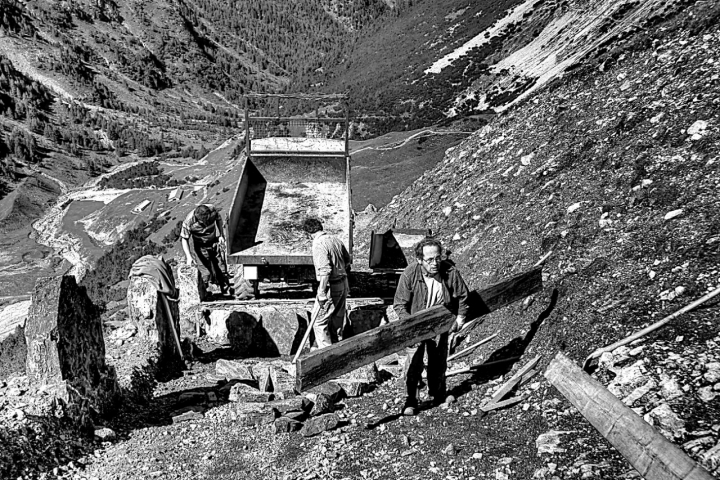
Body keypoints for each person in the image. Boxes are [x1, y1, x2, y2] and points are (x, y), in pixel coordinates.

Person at [393, 237, 470, 416]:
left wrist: (460, 318)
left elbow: (463, 296)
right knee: (413, 364)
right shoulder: (410, 273)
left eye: (437, 258)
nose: (435, 263)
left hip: (440, 323)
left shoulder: (449, 271)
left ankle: (438, 394)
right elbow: (399, 304)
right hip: (416, 325)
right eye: (429, 260)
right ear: (420, 260)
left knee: (438, 361)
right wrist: (410, 324)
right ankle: (411, 400)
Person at [303, 217, 351, 349]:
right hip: (343, 283)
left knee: (318, 320)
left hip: (331, 285)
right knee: (337, 317)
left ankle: (325, 353)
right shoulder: (335, 240)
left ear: (308, 234)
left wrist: (322, 292)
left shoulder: (319, 244)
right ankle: (337, 347)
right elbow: (348, 260)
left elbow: (325, 270)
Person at [180, 204, 230, 294]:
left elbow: (219, 220)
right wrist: (188, 257)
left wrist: (221, 235)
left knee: (221, 268)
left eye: (207, 220)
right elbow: (184, 239)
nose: (205, 223)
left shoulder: (212, 210)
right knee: (205, 273)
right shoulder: (189, 221)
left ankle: (226, 289)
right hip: (200, 246)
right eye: (202, 222)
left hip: (213, 242)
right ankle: (205, 293)